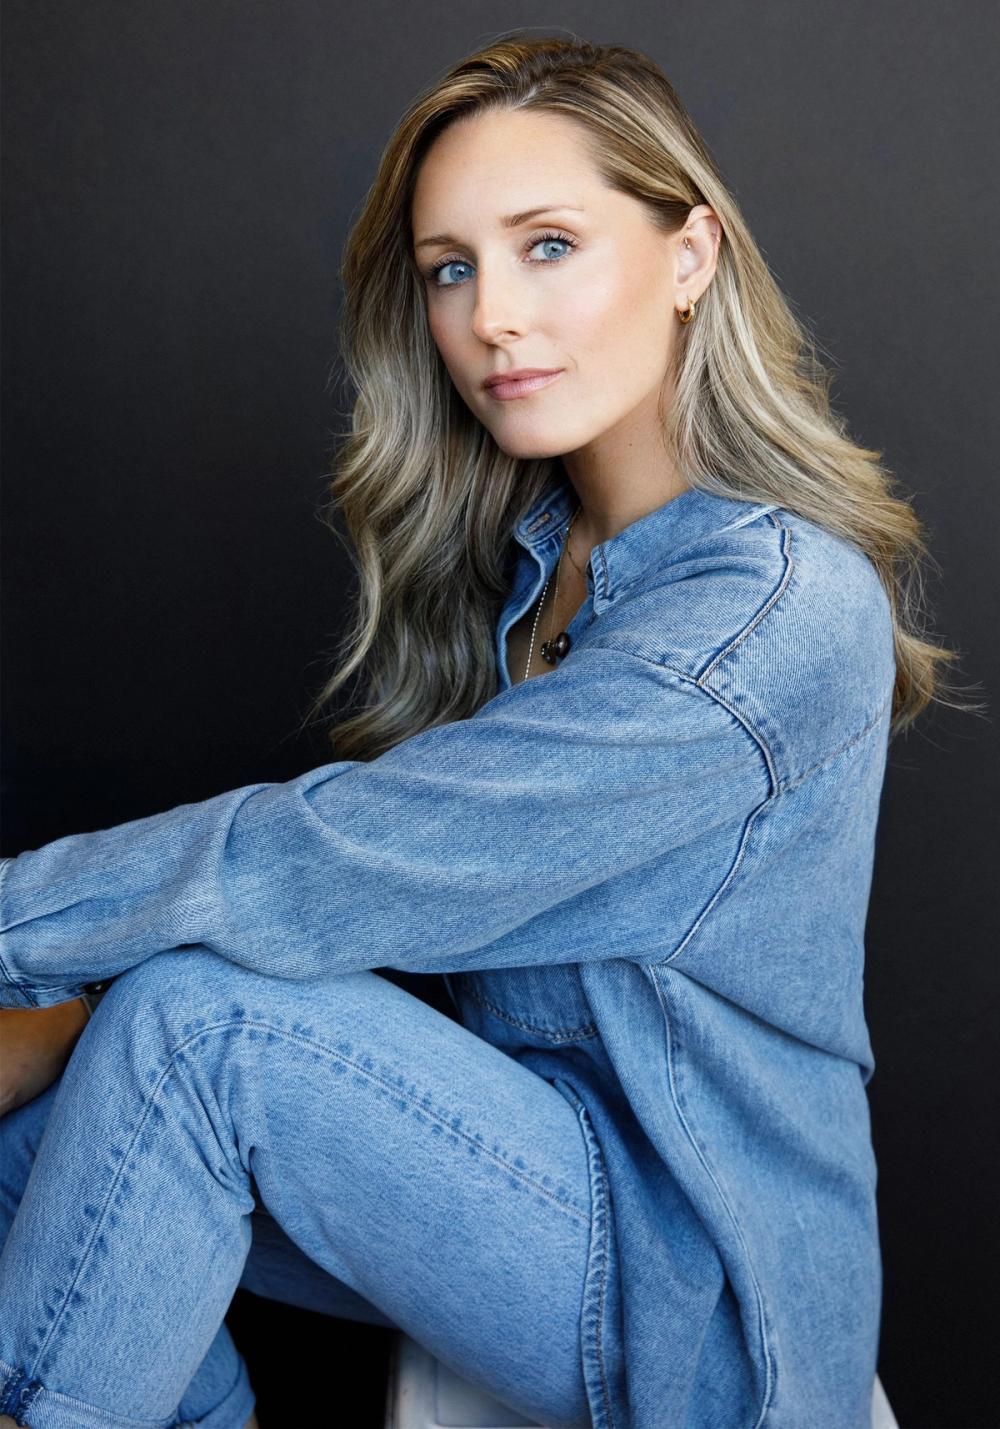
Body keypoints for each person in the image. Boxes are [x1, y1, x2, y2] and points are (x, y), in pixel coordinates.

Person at [0, 31, 976, 1429]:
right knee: (42, 1136)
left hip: (702, 1293)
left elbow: (348, 864)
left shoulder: (766, 614)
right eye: (450, 268)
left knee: (191, 1030)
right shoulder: (537, 565)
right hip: (532, 1187)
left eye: (548, 246)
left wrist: (24, 940)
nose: (492, 316)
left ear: (690, 255)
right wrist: (69, 1019)